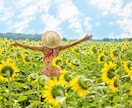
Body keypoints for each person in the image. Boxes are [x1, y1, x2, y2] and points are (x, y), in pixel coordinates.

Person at [11, 30, 92, 77]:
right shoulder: (59, 47)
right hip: (56, 69)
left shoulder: (44, 48)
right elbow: (72, 44)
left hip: (46, 70)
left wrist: (18, 43)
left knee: (47, 86)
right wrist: (83, 39)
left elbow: (29, 46)